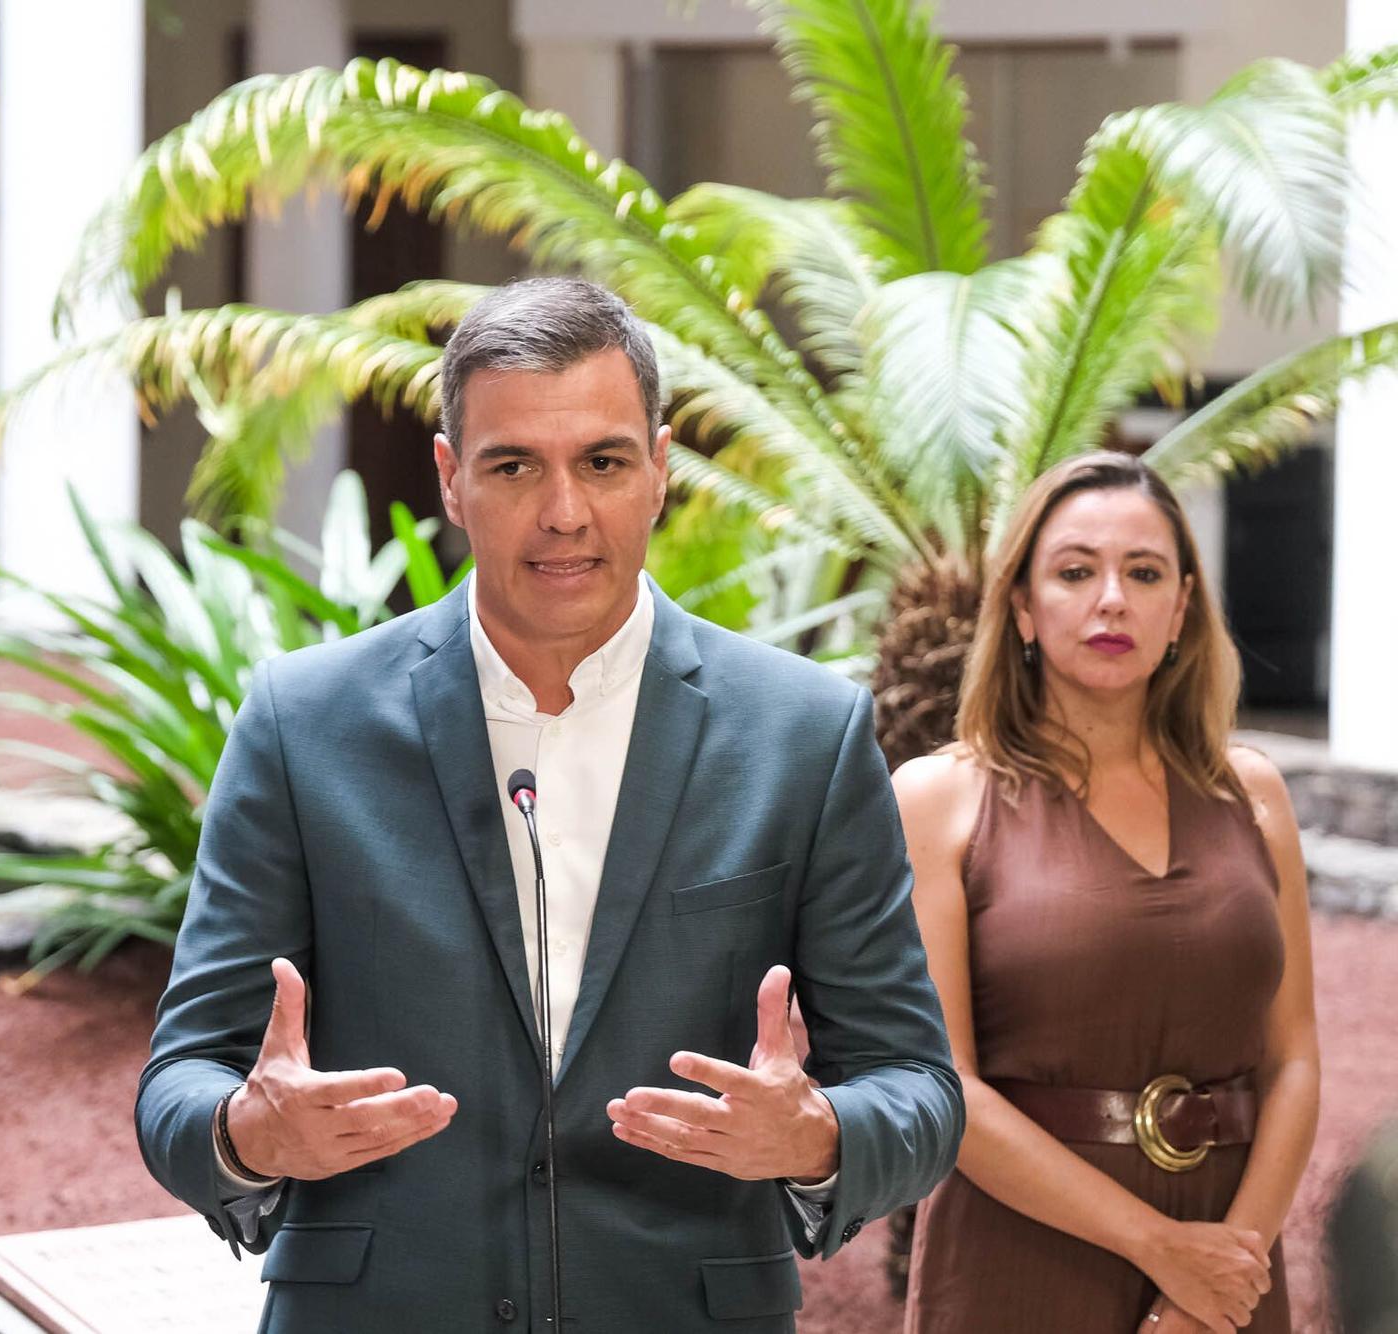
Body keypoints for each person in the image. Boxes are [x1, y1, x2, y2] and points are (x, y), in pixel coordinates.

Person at [136, 277, 963, 1331]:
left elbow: (916, 1091)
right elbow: (178, 1085)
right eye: (514, 463)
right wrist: (245, 1134)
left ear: (660, 469)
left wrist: (817, 1138)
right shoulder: (302, 724)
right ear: (449, 476)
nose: (563, 510)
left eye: (603, 462)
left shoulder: (802, 733)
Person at [898, 452, 1318, 1334]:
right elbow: (947, 1086)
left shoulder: (1254, 794)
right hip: (1022, 1255)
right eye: (1076, 572)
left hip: (1227, 1268)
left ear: (1183, 610)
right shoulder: (940, 801)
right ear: (1021, 607)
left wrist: (1225, 1270)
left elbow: (1295, 1062)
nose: (1112, 599)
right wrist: (1162, 1248)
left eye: (1145, 572)